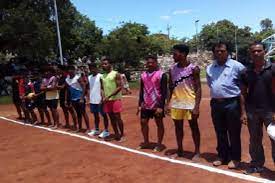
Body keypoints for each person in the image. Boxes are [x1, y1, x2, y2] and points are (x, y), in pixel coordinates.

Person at [206, 42, 245, 169]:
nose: (219, 53)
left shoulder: (237, 66)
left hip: (232, 103)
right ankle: (222, 156)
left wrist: (243, 110)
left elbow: (244, 88)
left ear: (227, 52)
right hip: (216, 104)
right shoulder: (210, 68)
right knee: (220, 132)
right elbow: (211, 84)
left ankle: (235, 158)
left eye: (222, 51)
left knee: (234, 132)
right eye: (216, 51)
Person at [240, 42, 275, 174]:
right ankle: (256, 164)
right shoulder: (245, 72)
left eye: (259, 51)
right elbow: (243, 93)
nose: (256, 53)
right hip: (252, 111)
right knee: (254, 140)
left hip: (270, 111)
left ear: (264, 52)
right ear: (250, 53)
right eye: (253, 51)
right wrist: (243, 112)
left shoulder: (273, 69)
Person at [167, 44, 201, 160]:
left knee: (194, 127)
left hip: (190, 103)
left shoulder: (193, 69)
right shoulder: (172, 69)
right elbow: (170, 87)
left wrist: (196, 106)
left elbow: (198, 88)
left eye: (175, 53)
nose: (173, 56)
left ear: (183, 54)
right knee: (178, 128)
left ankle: (197, 152)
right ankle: (180, 150)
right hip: (177, 103)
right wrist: (168, 103)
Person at [137, 55, 167, 152]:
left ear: (156, 63)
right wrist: (139, 104)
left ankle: (159, 144)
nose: (150, 64)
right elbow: (141, 90)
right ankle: (146, 142)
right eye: (148, 62)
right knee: (143, 122)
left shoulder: (161, 75)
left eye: (152, 62)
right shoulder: (143, 75)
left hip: (157, 104)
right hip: (146, 103)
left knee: (159, 123)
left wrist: (161, 106)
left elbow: (164, 92)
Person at [101, 57, 125, 141]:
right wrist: (103, 96)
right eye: (103, 64)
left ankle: (122, 135)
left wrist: (109, 96)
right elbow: (102, 88)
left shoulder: (115, 74)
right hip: (107, 100)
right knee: (111, 118)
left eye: (105, 64)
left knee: (118, 118)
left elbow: (119, 87)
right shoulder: (102, 76)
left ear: (110, 64)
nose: (103, 65)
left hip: (115, 99)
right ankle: (116, 134)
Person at [87, 63, 110, 138]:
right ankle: (96, 129)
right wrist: (88, 99)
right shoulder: (89, 77)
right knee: (95, 115)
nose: (92, 70)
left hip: (100, 99)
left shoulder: (101, 76)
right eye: (90, 68)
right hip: (92, 99)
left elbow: (103, 88)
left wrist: (102, 98)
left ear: (96, 68)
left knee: (104, 115)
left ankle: (106, 131)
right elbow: (89, 88)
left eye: (93, 68)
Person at [65, 66, 90, 133]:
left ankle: (88, 128)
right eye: (69, 70)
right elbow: (67, 90)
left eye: (71, 70)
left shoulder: (77, 78)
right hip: (73, 99)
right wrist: (67, 100)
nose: (70, 71)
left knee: (83, 112)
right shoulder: (67, 79)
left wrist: (82, 98)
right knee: (78, 113)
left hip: (80, 98)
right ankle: (79, 128)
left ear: (73, 70)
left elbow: (84, 87)